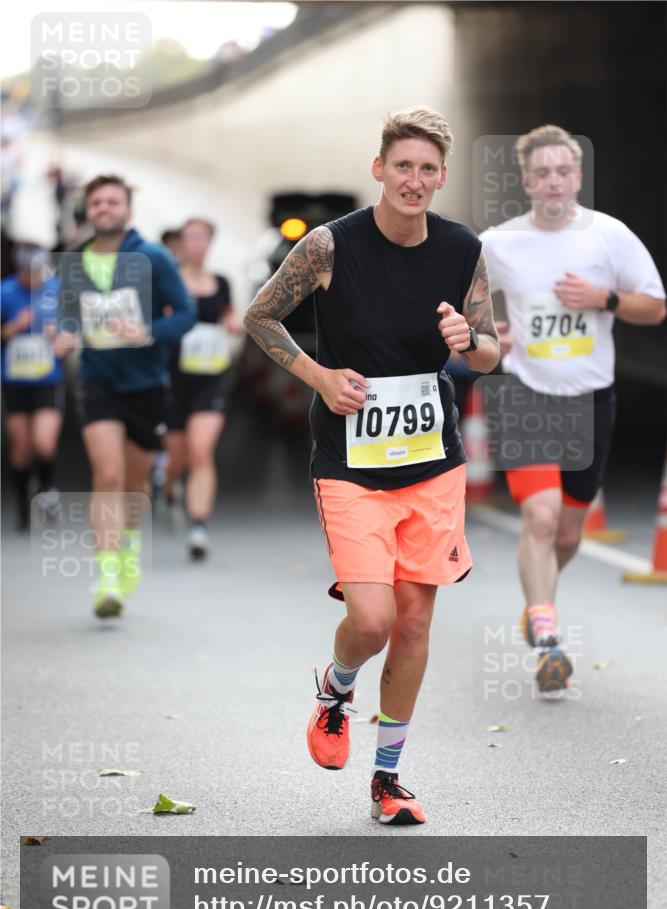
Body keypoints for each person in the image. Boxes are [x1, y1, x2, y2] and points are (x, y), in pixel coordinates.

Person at [245, 107, 500, 825]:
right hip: (350, 461)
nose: (413, 180)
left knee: (413, 625)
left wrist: (468, 340)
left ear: (441, 177)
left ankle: (387, 780)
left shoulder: (461, 248)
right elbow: (260, 316)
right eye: (402, 166)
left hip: (431, 462)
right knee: (372, 618)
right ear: (379, 168)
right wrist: (319, 376)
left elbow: (488, 352)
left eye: (427, 169)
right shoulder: (329, 246)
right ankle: (335, 686)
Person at [480, 125, 666, 691]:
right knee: (539, 517)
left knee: (566, 535)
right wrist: (486, 334)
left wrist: (604, 298)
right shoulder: (499, 243)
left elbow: (655, 307)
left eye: (563, 170)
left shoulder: (609, 236)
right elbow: (458, 300)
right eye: (542, 172)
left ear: (578, 176)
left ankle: (538, 604)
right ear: (526, 180)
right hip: (526, 394)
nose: (554, 181)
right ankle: (548, 636)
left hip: (590, 401)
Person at [53, 174, 196, 618]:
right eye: (97, 202)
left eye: (112, 201)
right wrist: (63, 334)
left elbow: (186, 314)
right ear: (88, 211)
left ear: (128, 211)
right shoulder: (73, 260)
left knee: (135, 483)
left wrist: (148, 332)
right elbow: (68, 315)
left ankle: (128, 544)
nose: (104, 208)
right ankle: (107, 576)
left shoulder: (153, 257)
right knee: (108, 474)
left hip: (146, 384)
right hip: (97, 381)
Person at [164, 218, 242, 560]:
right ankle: (169, 488)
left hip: (211, 375)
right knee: (177, 456)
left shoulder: (221, 283)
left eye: (202, 237)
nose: (196, 243)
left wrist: (232, 324)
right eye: (190, 237)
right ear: (180, 243)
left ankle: (198, 527)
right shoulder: (168, 281)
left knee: (200, 450)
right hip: (173, 378)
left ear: (210, 242)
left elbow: (227, 315)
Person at [1, 243, 63, 529]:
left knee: (44, 442)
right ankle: (22, 504)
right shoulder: (5, 292)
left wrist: (60, 335)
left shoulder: (56, 290)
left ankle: (47, 488)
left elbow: (72, 328)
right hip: (15, 379)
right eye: (28, 271)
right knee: (21, 447)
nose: (33, 276)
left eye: (38, 270)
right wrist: (13, 328)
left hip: (47, 378)